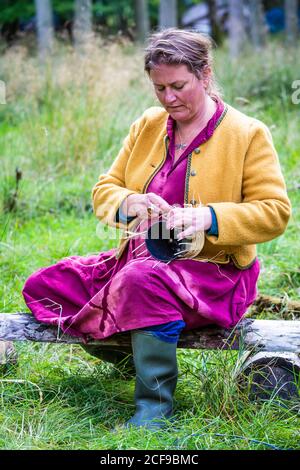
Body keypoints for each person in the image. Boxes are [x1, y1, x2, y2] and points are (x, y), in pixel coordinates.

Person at [22, 28, 291, 431]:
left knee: (140, 281)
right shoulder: (148, 125)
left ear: (205, 74)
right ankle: (137, 353)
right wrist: (131, 203)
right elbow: (104, 190)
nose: (168, 98)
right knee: (49, 286)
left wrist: (210, 218)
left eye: (179, 86)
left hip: (214, 274)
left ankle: (155, 408)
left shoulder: (247, 133)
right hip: (138, 262)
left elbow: (275, 212)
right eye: (159, 87)